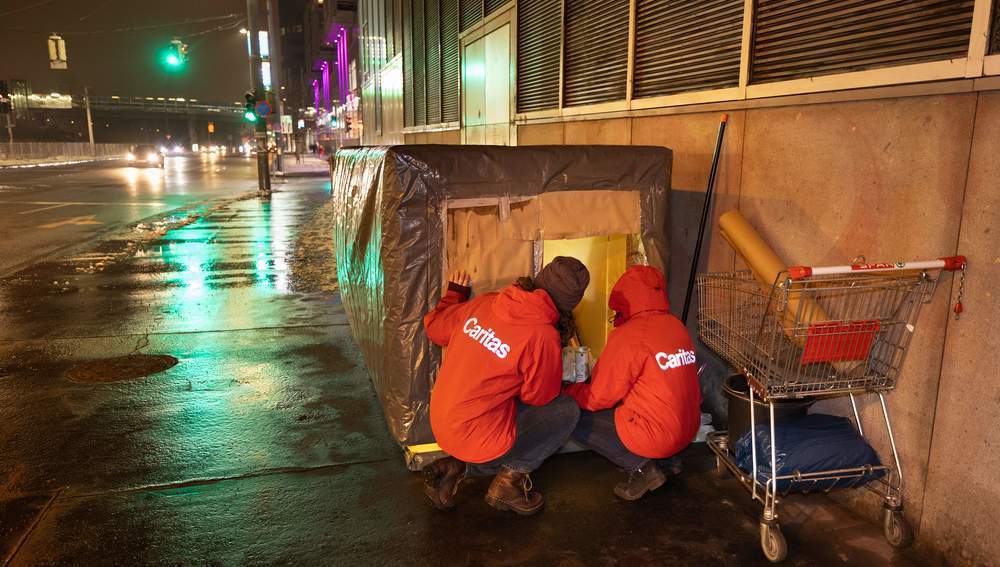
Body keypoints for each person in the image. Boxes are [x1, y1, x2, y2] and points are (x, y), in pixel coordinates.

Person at [421, 257, 590, 515]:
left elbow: (434, 328)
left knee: (499, 404)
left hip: (440, 422)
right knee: (565, 410)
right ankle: (508, 483)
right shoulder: (543, 335)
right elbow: (540, 398)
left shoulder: (490, 301)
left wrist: (455, 294)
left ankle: (455, 466)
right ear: (569, 305)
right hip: (474, 434)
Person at [565, 265, 701, 501]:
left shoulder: (630, 335)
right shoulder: (675, 326)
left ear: (621, 300)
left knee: (573, 416)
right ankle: (668, 461)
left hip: (658, 435)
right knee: (642, 402)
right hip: (687, 429)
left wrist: (568, 392)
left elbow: (599, 397)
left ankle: (642, 468)